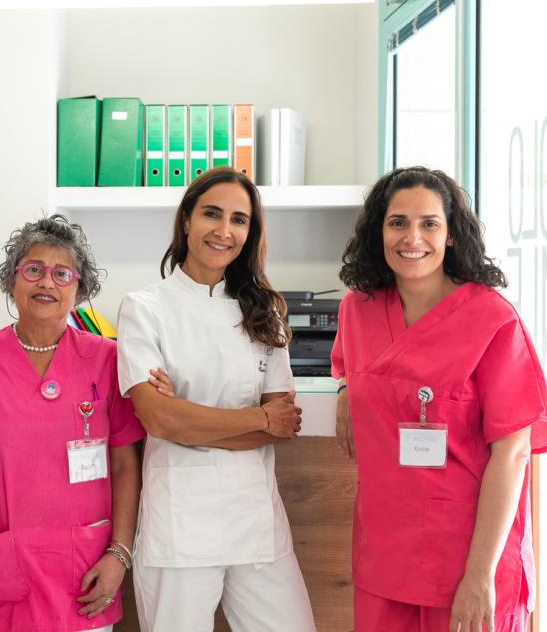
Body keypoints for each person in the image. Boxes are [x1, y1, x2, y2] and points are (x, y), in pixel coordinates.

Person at [332, 166, 547, 632]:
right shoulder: (358, 308)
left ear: (450, 235)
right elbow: (354, 364)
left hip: (470, 560)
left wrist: (479, 576)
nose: (413, 237)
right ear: (379, 231)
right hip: (386, 559)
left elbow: (512, 454)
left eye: (429, 223)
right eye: (398, 222)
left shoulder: (493, 320)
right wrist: (347, 388)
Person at [0, 214, 144, 632]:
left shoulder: (107, 359)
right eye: (33, 270)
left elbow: (127, 464)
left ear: (79, 288)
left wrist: (120, 554)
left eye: (62, 274)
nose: (47, 283)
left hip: (85, 574)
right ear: (12, 281)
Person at [116, 166, 316, 632]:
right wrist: (256, 418)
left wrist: (189, 420)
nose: (224, 231)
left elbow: (282, 427)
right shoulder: (144, 309)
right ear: (186, 219)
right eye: (212, 213)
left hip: (257, 524)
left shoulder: (265, 312)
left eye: (239, 220)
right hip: (179, 526)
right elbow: (159, 419)